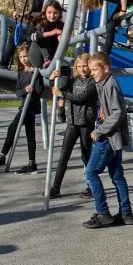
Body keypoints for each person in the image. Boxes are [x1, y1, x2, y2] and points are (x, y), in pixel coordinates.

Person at [83, 52, 133, 228]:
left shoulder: (110, 84)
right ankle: (126, 214)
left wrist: (100, 130)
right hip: (112, 139)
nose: (92, 73)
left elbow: (118, 112)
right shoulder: (103, 83)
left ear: (106, 68)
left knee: (91, 172)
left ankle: (103, 212)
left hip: (107, 138)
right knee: (117, 176)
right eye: (90, 70)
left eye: (95, 70)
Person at [0, 43, 44, 174]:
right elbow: (17, 92)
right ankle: (32, 163)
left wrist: (36, 78)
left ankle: (2, 157)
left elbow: (39, 90)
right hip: (24, 104)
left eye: (26, 56)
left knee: (13, 128)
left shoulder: (36, 72)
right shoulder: (21, 73)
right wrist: (25, 90)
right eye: (21, 57)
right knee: (30, 133)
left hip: (31, 106)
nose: (23, 59)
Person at [49, 53, 99, 199]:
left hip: (86, 123)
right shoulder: (73, 80)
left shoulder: (92, 82)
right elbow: (57, 89)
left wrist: (62, 94)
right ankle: (56, 187)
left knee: (86, 156)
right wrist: (52, 80)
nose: (82, 69)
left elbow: (80, 98)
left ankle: (91, 186)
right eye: (79, 66)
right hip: (72, 122)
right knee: (64, 155)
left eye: (85, 66)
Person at [0, 0, 45, 68]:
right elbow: (33, 13)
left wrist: (24, 15)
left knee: (14, 36)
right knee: (16, 36)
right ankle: (5, 63)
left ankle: (3, 63)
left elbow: (38, 14)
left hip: (33, 31)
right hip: (32, 29)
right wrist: (21, 15)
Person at [29, 0, 65, 66]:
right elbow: (29, 37)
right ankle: (47, 58)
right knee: (43, 37)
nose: (52, 15)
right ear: (45, 12)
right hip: (37, 55)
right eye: (49, 12)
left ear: (59, 13)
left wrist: (60, 38)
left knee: (66, 70)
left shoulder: (61, 25)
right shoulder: (37, 21)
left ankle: (50, 60)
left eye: (55, 13)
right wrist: (50, 33)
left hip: (53, 55)